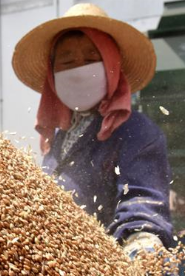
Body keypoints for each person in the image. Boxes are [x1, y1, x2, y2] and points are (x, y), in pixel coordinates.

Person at [12, 3, 173, 259]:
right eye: (67, 61)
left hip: (109, 267)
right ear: (52, 76)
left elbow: (142, 200)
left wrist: (140, 240)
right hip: (62, 267)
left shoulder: (136, 131)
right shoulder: (57, 139)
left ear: (112, 67)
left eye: (91, 59)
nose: (79, 69)